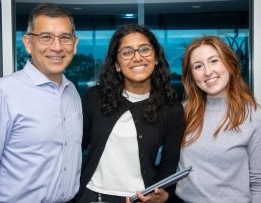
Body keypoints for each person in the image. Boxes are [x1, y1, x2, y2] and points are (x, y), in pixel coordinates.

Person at [0, 3, 82, 202]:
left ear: (74, 44)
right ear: (28, 43)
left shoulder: (72, 93)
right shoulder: (1, 93)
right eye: (46, 37)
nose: (57, 47)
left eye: (65, 38)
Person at [74, 24, 185, 203]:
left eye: (144, 49)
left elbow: (168, 167)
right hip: (91, 196)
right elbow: (76, 148)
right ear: (117, 65)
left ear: (156, 58)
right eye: (127, 52)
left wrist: (163, 194)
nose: (137, 57)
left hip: (140, 199)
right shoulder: (95, 98)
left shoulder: (171, 109)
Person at [175, 35, 261, 203]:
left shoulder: (258, 119)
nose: (208, 72)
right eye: (198, 66)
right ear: (191, 76)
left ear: (230, 64)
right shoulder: (181, 113)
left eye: (214, 61)